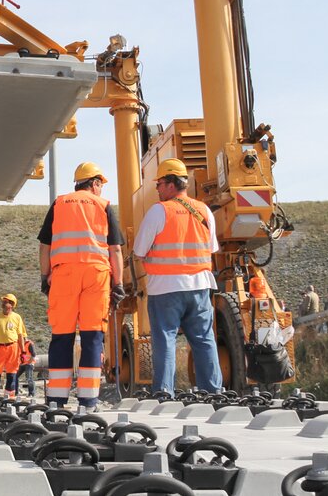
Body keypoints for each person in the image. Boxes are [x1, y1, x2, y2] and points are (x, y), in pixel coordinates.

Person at [38, 161, 125, 410]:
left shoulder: (60, 203)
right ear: (95, 183)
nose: (101, 190)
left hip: (64, 275)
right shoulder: (104, 206)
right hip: (96, 276)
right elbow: (115, 249)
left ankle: (57, 400)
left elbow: (45, 246)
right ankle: (88, 401)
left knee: (62, 336)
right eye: (101, 185)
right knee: (92, 336)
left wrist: (45, 277)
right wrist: (117, 283)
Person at [132, 158, 221, 396]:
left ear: (171, 184)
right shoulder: (204, 211)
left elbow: (139, 250)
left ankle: (164, 392)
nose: (158, 188)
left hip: (166, 288)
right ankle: (213, 391)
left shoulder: (159, 211)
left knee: (165, 340)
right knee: (204, 339)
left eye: (159, 183)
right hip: (200, 287)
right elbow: (211, 248)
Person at [0, 293, 28, 398]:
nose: (4, 304)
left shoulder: (17, 318)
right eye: (3, 302)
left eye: (7, 302)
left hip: (13, 348)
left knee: (12, 373)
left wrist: (23, 352)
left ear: (12, 305)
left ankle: (9, 397)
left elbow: (20, 335)